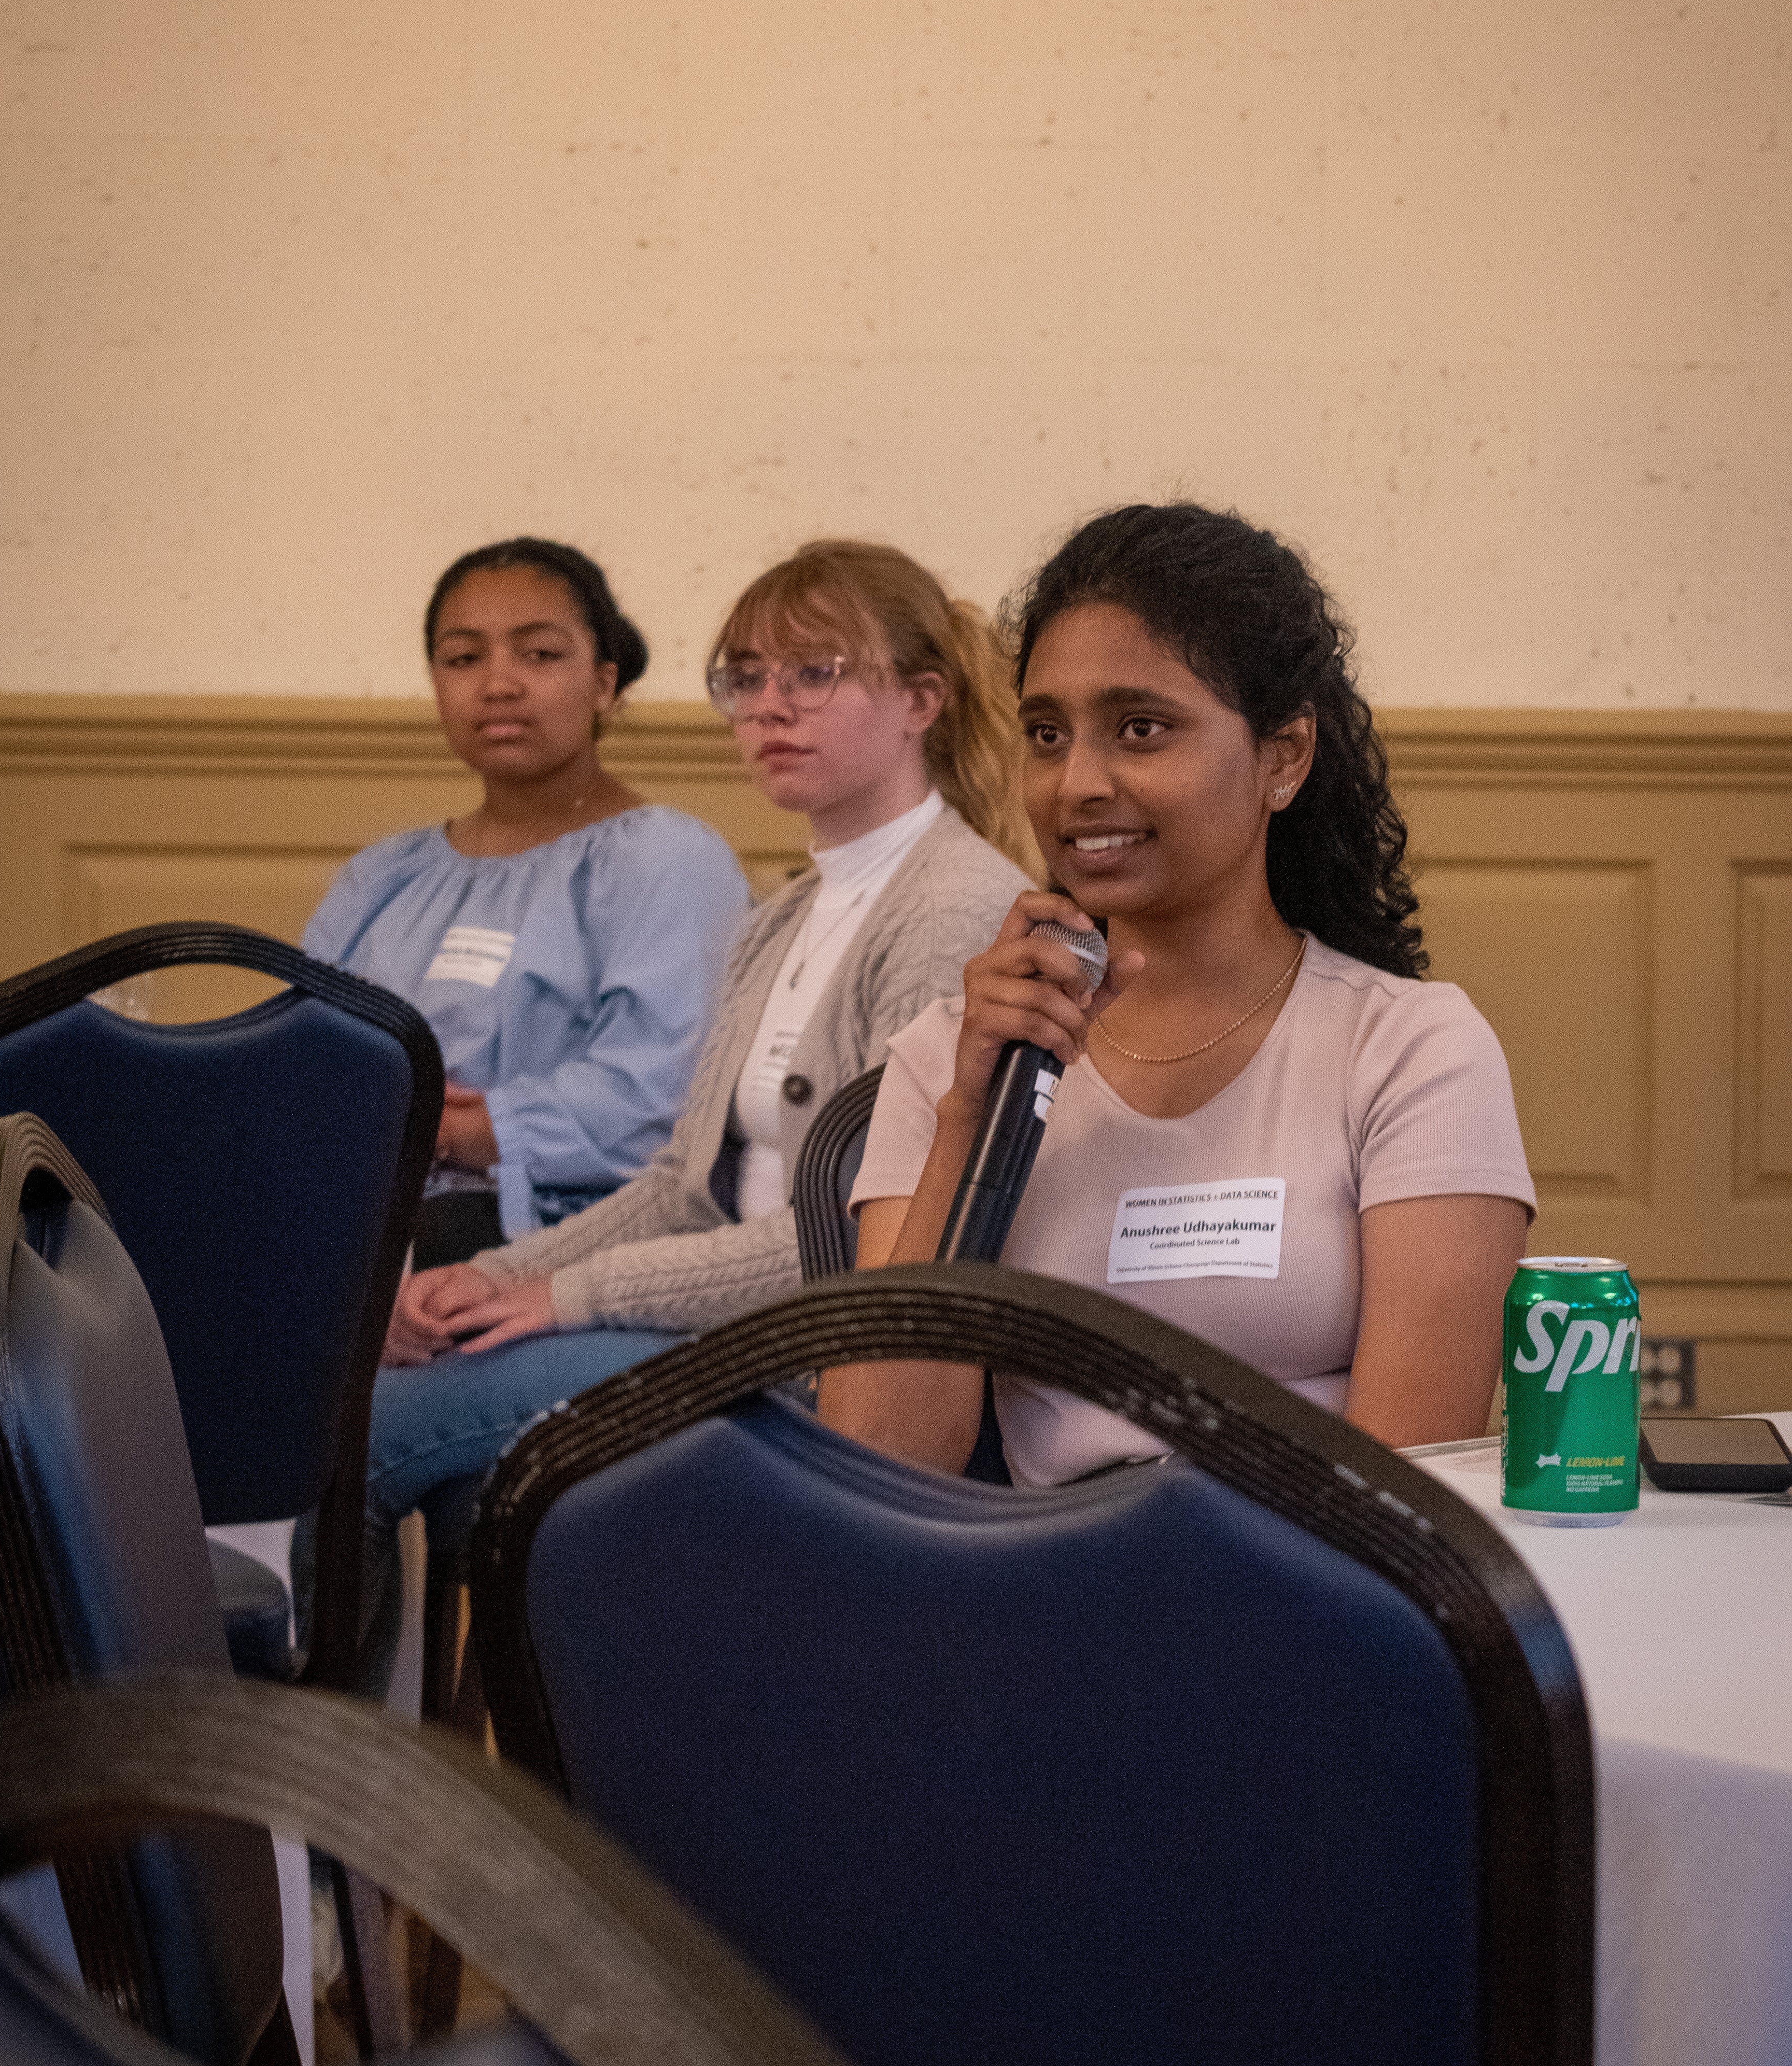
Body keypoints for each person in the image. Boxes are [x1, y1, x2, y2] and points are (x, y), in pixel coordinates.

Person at [823, 502, 1536, 1481]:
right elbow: (881, 1465)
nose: (1076, 782)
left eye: (1140, 728)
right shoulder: (955, 1056)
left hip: (1312, 1597)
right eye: (1046, 731)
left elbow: (1406, 1492)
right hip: (1045, 1597)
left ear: (1282, 757)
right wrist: (971, 1120)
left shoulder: (1410, 1049)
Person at [376, 538, 1033, 1554]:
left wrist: (566, 1296)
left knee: (371, 1429)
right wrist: (504, 1274)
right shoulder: (789, 912)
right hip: (730, 1330)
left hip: (822, 1370)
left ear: (921, 700)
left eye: (813, 673)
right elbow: (683, 1185)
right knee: (375, 1383)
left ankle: (272, 1707)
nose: (768, 707)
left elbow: (862, 1245)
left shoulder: (954, 909)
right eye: (745, 678)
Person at [305, 538, 750, 1257]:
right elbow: (305, 1068)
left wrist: (449, 1134)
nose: (499, 683)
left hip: (567, 1247)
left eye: (540, 654)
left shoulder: (668, 860)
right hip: (356, 1227)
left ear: (605, 683)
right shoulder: (380, 878)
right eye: (464, 657)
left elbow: (660, 1103)